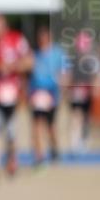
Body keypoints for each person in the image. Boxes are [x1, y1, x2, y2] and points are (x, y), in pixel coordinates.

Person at [0, 14, 32, 185]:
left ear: (4, 25)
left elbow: (30, 61)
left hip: (13, 96)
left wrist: (13, 67)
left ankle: (11, 161)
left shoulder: (17, 40)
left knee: (11, 133)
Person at [29, 25, 66, 168]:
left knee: (51, 126)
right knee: (37, 125)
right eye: (40, 38)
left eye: (44, 37)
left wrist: (62, 87)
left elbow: (64, 72)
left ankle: (55, 150)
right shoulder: (35, 54)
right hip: (37, 94)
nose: (42, 40)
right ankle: (39, 156)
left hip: (52, 94)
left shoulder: (57, 53)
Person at [68, 29, 98, 153]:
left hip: (86, 93)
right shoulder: (74, 61)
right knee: (76, 116)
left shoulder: (90, 61)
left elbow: (94, 76)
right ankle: (74, 142)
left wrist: (94, 88)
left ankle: (84, 140)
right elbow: (69, 77)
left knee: (85, 117)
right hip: (76, 92)